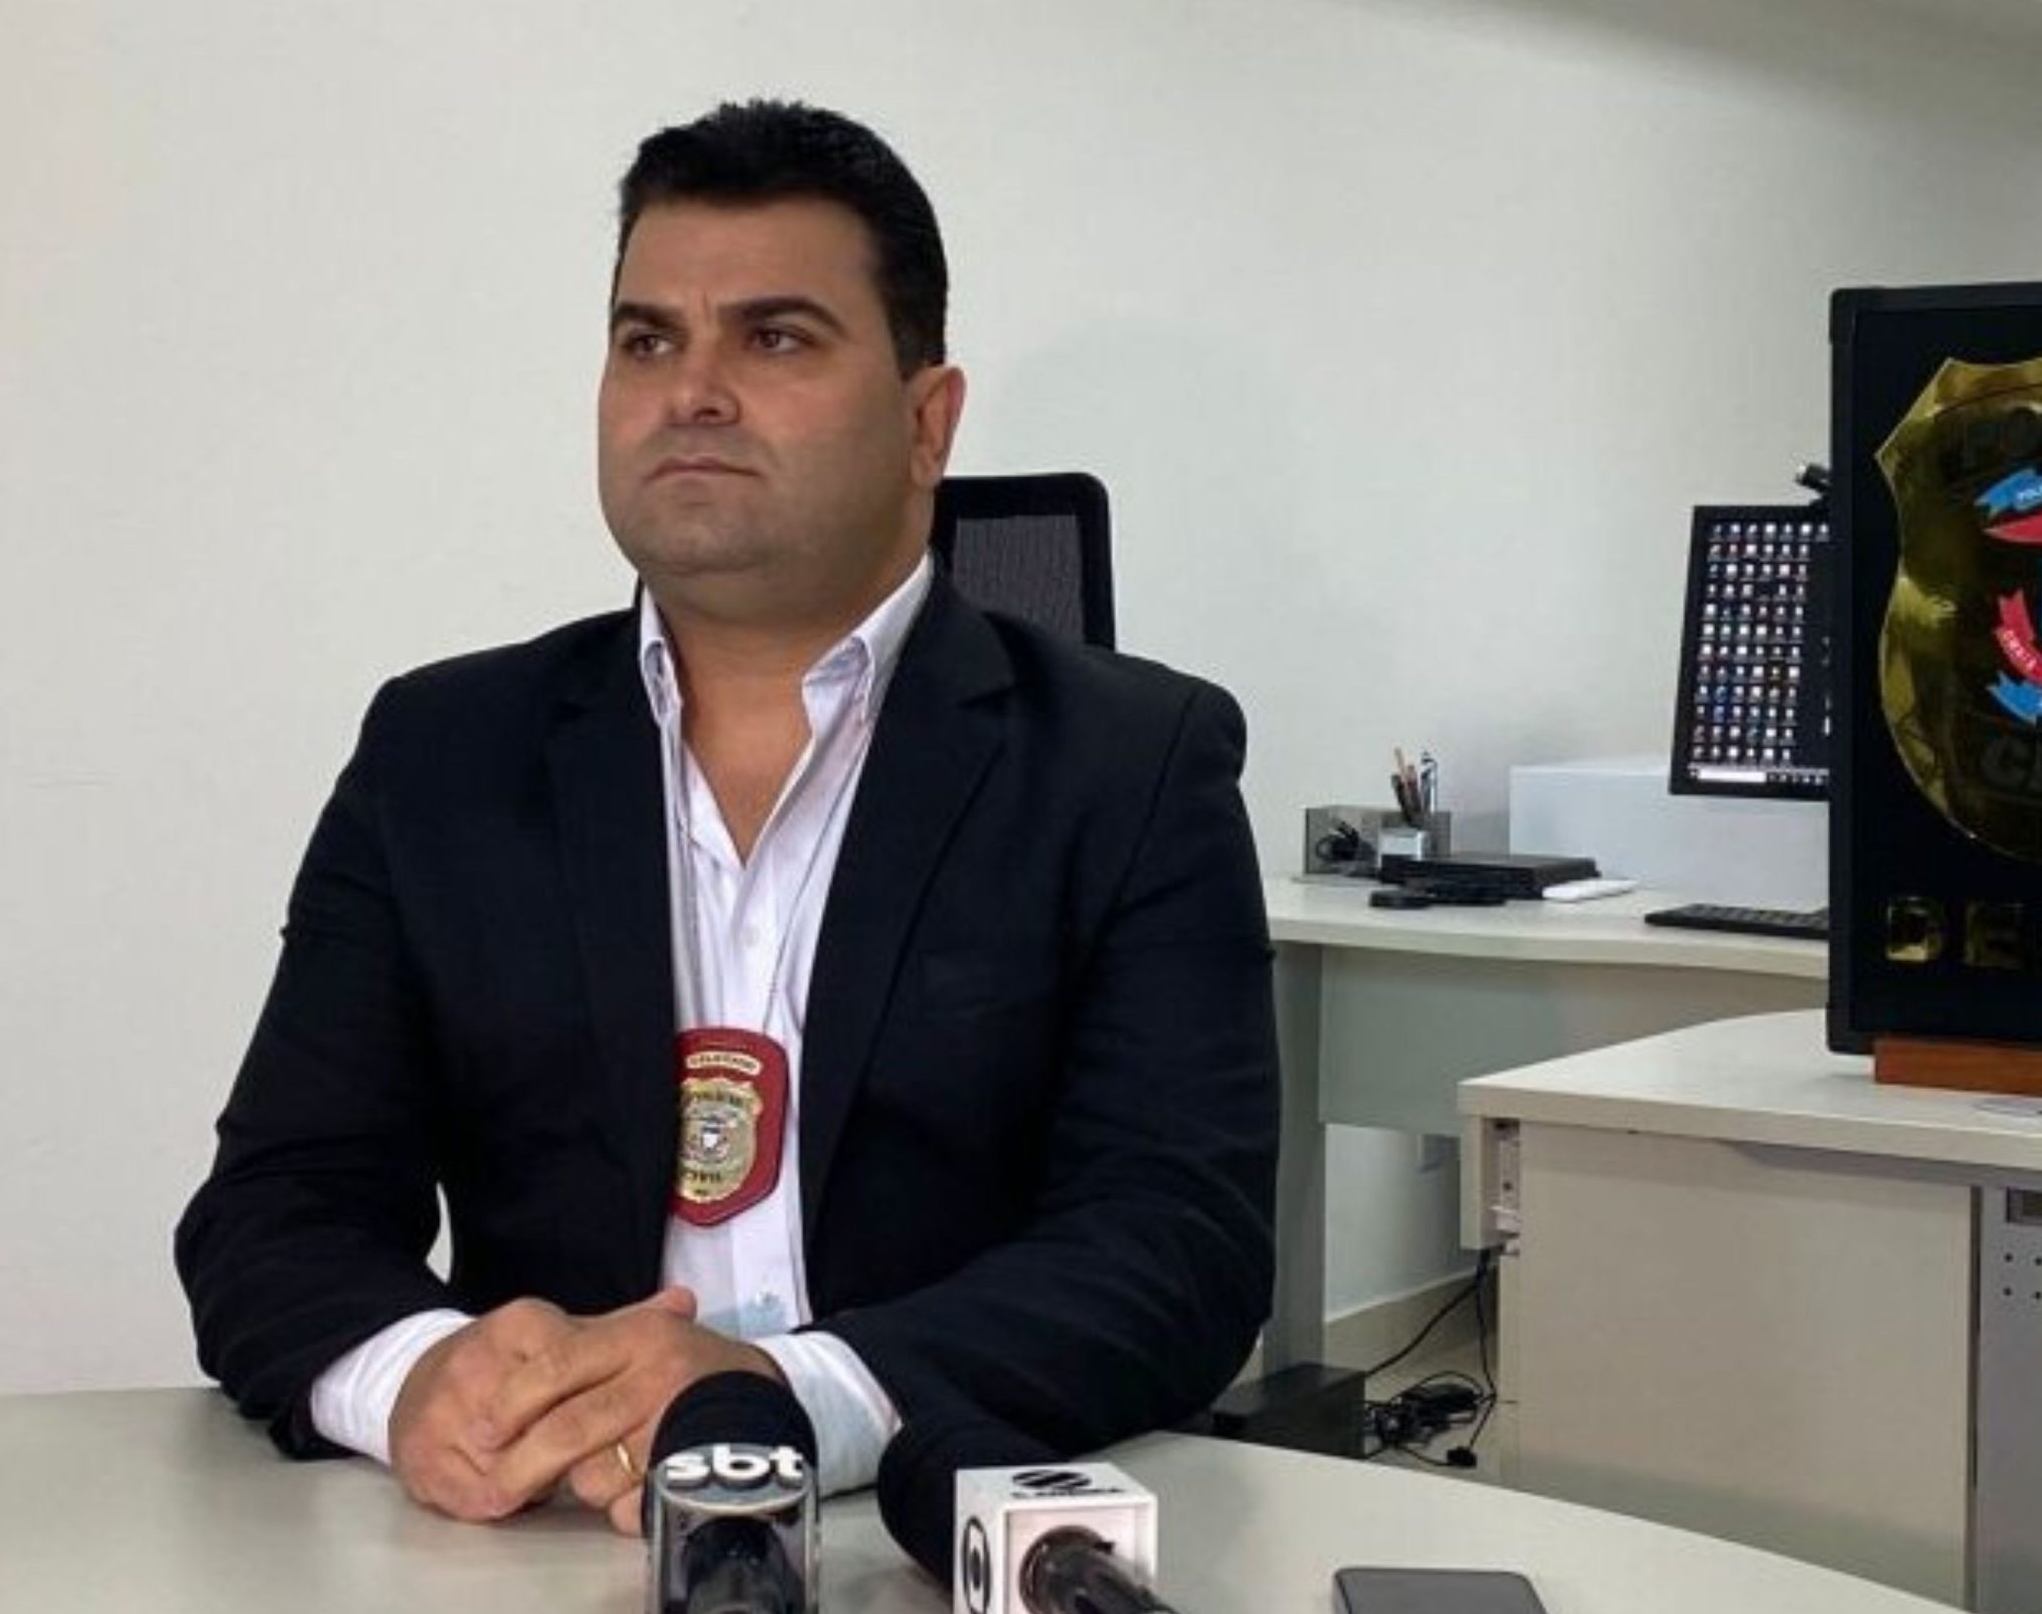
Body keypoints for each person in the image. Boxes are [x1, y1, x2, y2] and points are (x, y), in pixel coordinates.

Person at [175, 99, 1278, 1532]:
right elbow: (277, 1204)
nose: (691, 391)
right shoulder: (441, 751)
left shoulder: (1131, 764)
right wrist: (417, 1377)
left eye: (776, 338)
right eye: (647, 341)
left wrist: (781, 1393)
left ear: (928, 422)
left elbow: (1178, 1245)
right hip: (543, 1536)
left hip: (936, 1524)